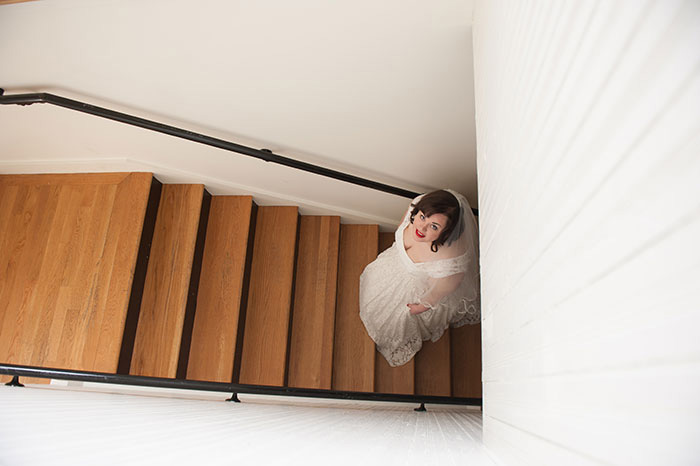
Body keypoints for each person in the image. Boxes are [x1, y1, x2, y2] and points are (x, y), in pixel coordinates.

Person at [359, 189, 480, 367]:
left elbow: (444, 289)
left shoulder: (449, 260)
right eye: (423, 217)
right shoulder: (416, 207)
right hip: (391, 266)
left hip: (411, 290)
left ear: (446, 233)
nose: (421, 228)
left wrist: (421, 306)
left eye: (434, 227)